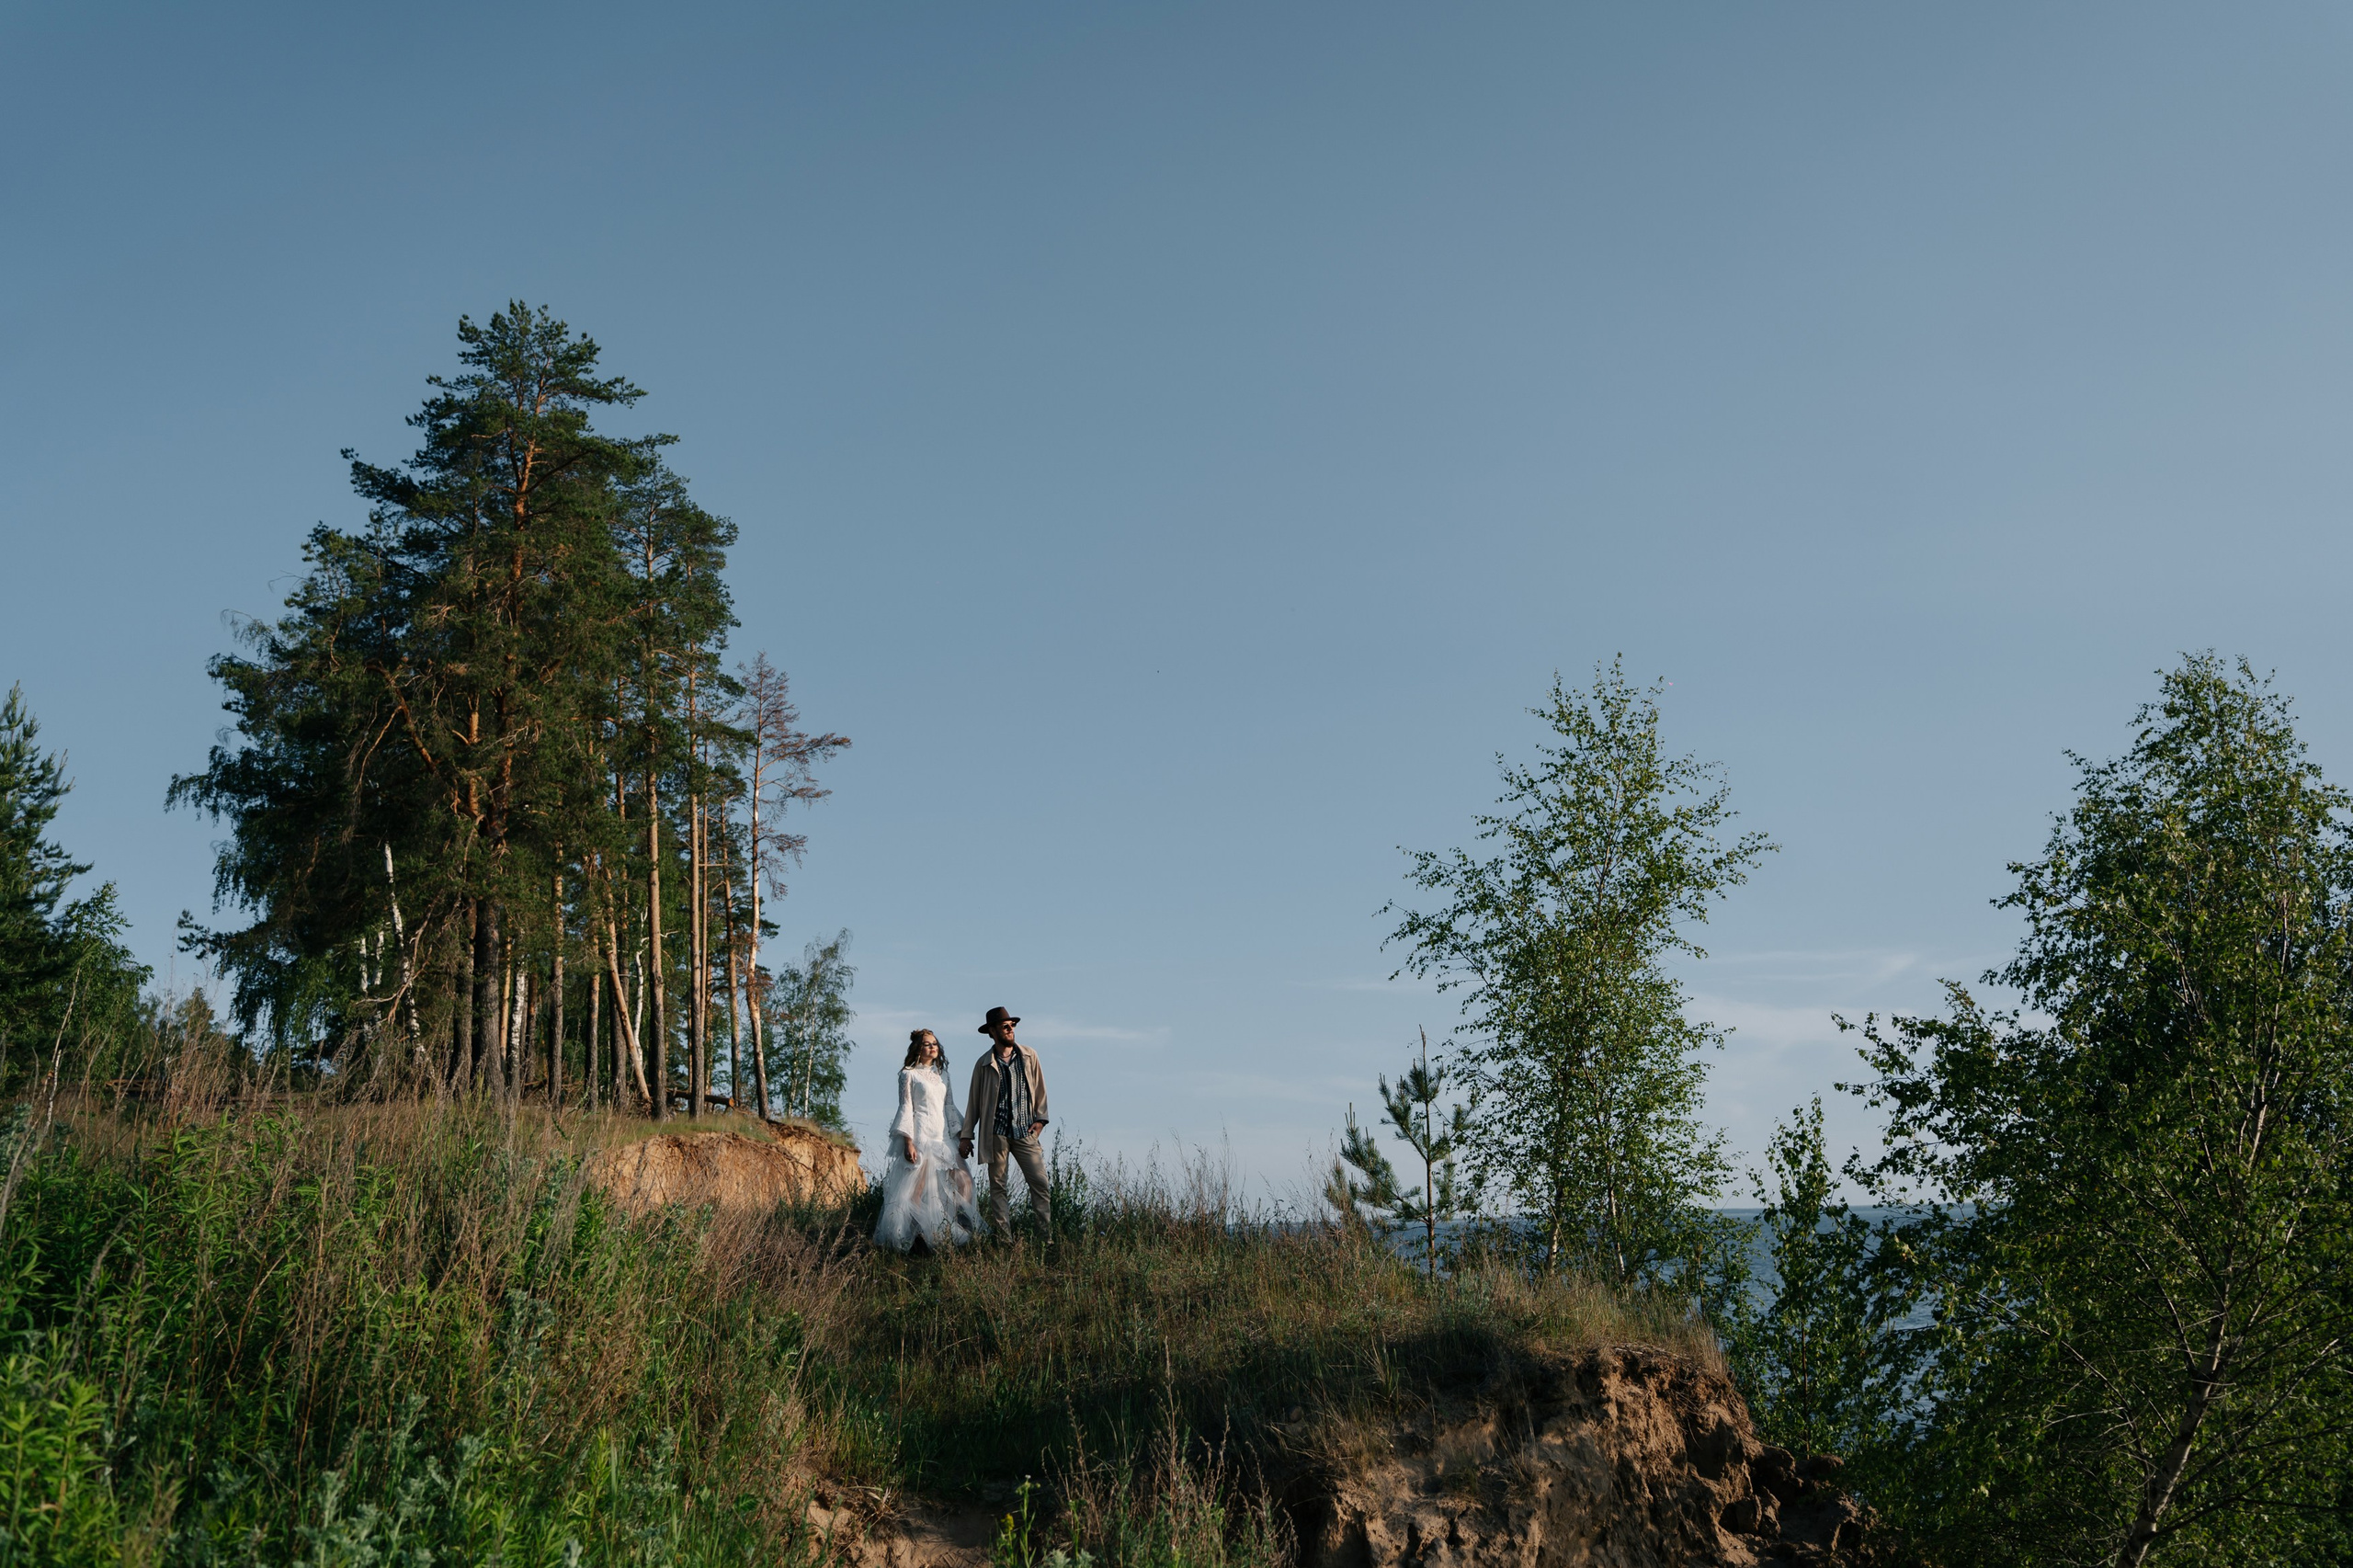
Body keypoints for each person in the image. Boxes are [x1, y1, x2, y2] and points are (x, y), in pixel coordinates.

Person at [874, 1029, 982, 1253]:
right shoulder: (908, 1074)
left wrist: (962, 1135)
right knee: (916, 1191)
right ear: (918, 1048)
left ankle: (957, 1229)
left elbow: (949, 1106)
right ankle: (916, 1237)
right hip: (921, 1135)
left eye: (935, 1044)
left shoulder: (944, 1074)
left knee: (965, 1182)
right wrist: (908, 1142)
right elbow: (906, 1108)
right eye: (927, 1044)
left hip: (943, 1138)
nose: (933, 1047)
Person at [960, 1006, 1051, 1233]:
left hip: (1025, 1131)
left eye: (1012, 1026)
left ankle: (1045, 1237)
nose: (1010, 1029)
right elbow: (974, 1103)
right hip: (996, 1133)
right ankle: (1004, 1240)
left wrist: (1040, 1120)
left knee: (1040, 1184)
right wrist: (966, 1136)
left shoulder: (1029, 1055)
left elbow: (1040, 1089)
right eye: (1004, 1026)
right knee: (998, 1187)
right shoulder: (983, 1064)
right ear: (992, 1031)